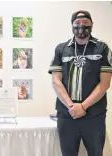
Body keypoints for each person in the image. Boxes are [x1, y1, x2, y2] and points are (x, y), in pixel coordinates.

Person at [48, 10, 112, 156]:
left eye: (85, 23)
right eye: (77, 23)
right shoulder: (61, 49)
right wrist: (72, 106)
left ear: (92, 24)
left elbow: (105, 83)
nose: (81, 26)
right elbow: (56, 81)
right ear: (72, 25)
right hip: (66, 114)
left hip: (94, 116)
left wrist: (83, 106)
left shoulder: (102, 48)